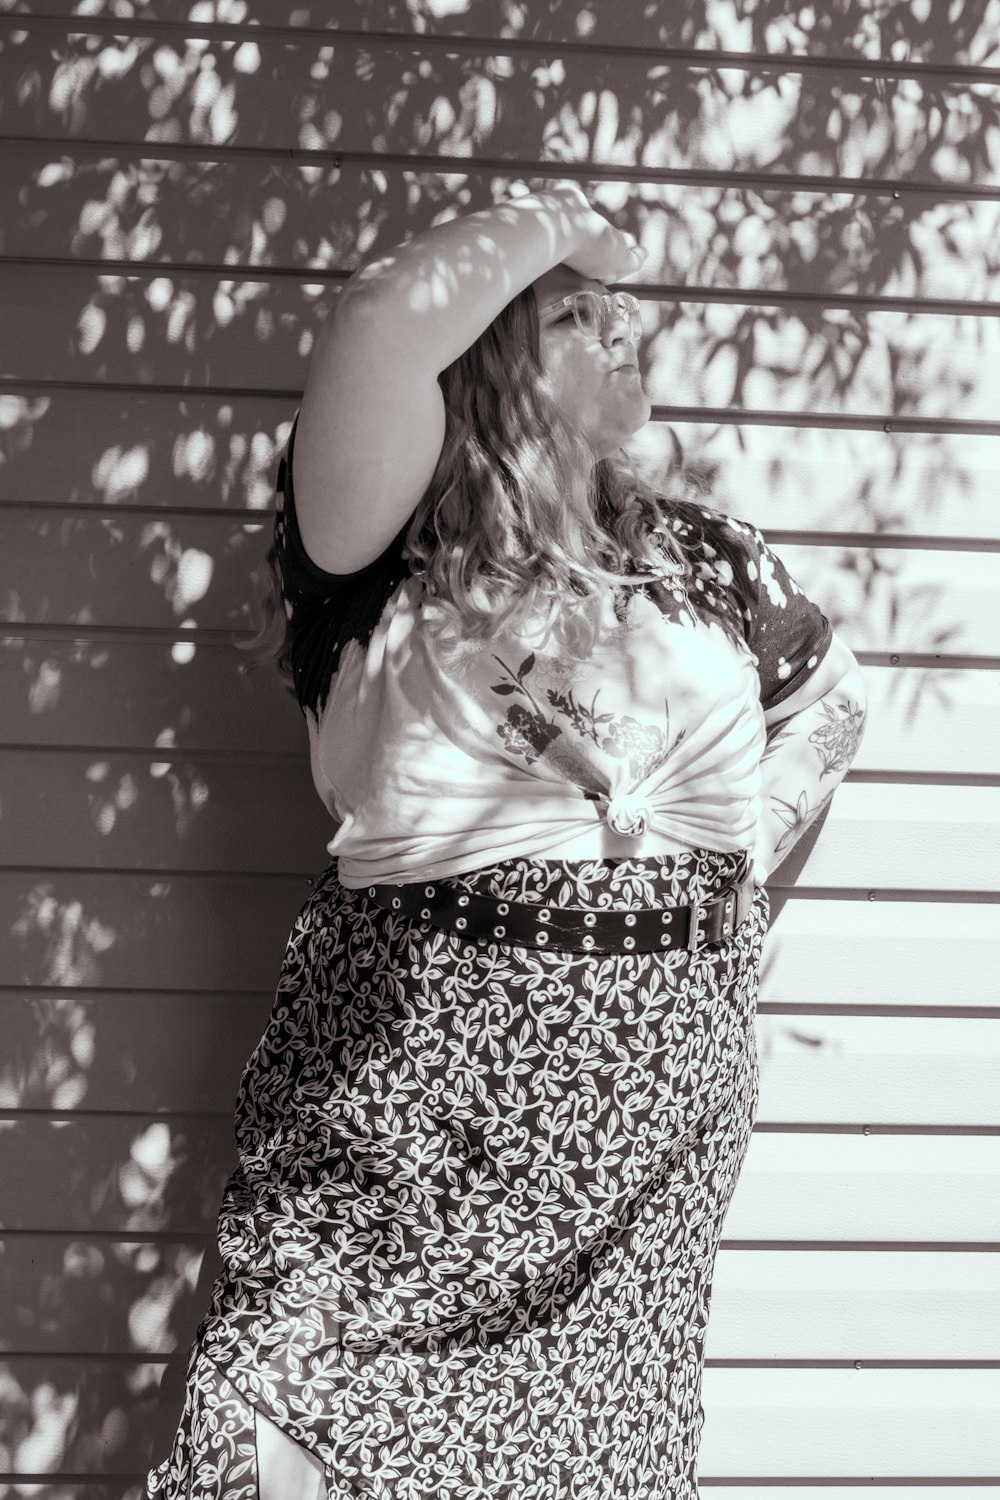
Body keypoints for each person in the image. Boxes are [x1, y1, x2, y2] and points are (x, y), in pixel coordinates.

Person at [146, 182, 868, 1500]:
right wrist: (580, 224)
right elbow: (379, 317)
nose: (624, 325)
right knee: (267, 1423)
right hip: (415, 1092)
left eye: (620, 309)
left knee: (591, 1466)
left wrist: (726, 875)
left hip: (652, 1100)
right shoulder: (379, 547)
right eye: (578, 318)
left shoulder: (706, 557)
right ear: (488, 367)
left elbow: (830, 706)